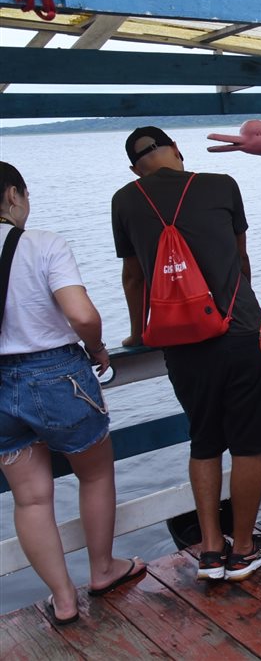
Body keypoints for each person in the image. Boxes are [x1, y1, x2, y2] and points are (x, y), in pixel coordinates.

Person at [111, 127, 261, 582]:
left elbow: (133, 278)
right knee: (248, 443)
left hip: (181, 342)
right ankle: (242, 548)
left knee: (203, 441)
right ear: (177, 152)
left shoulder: (125, 200)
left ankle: (209, 550)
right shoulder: (221, 184)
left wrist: (134, 333)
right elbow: (241, 260)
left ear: (134, 167)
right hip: (241, 329)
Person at [0, 163, 147, 625]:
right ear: (12, 195)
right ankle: (102, 570)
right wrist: (98, 348)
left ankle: (63, 600)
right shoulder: (42, 245)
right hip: (55, 375)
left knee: (31, 498)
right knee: (95, 474)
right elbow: (82, 315)